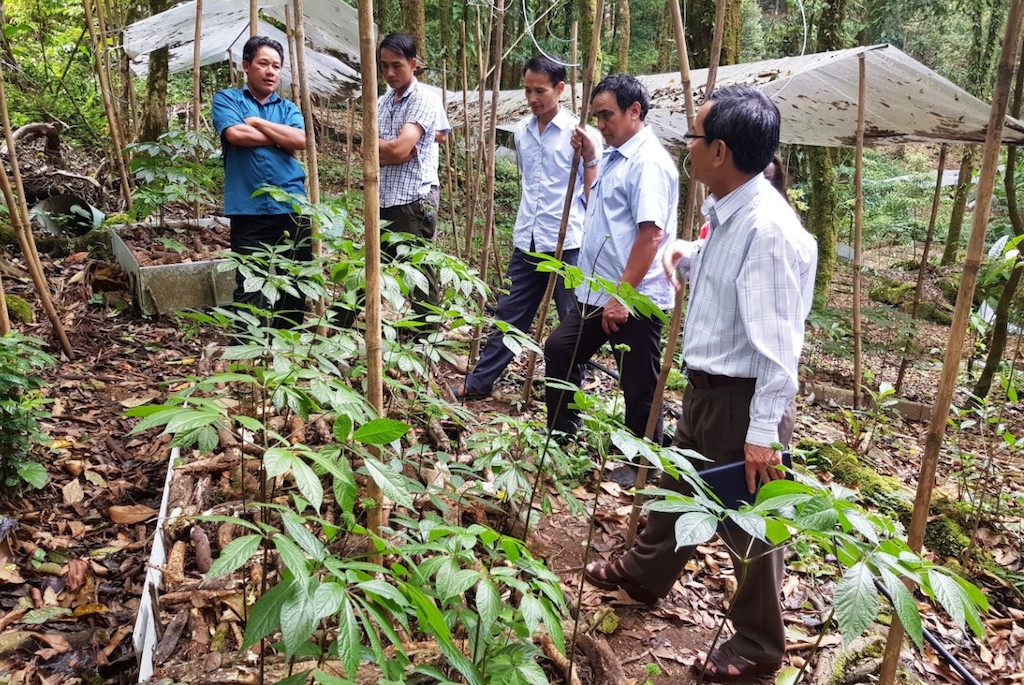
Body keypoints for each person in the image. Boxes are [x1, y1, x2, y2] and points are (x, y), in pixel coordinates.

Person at [584, 85, 818, 684]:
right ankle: (645, 573)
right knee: (678, 482)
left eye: (692, 136)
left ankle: (759, 648)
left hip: (743, 401)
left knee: (750, 525)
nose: (684, 146)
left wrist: (762, 435)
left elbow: (778, 349)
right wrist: (686, 256)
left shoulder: (768, 230)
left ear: (718, 150)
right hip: (708, 387)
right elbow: (721, 272)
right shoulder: (730, 208)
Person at [452, 55, 602, 400]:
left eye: (541, 91)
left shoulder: (581, 135)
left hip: (569, 242)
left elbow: (594, 193)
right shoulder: (521, 131)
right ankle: (479, 381)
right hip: (528, 238)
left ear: (560, 89)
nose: (533, 98)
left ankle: (568, 400)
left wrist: (591, 157)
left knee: (572, 325)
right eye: (527, 90)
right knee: (509, 313)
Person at [543, 73, 677, 444]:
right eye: (597, 117)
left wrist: (623, 296)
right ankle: (562, 436)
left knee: (639, 386)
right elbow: (599, 205)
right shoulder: (618, 157)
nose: (601, 125)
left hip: (633, 296)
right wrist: (590, 157)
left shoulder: (648, 163)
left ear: (634, 111)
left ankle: (644, 464)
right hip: (598, 291)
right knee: (560, 350)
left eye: (607, 116)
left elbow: (651, 235)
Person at [212, 35, 310, 329]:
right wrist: (279, 138)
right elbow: (235, 135)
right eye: (263, 64)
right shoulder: (227, 99)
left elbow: (302, 140)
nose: (271, 71)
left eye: (276, 66)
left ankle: (288, 351)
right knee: (249, 283)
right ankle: (247, 353)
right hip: (248, 208)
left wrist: (257, 122)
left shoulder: (289, 108)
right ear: (246, 66)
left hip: (292, 206)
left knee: (294, 282)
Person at [376, 33, 438, 323]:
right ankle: (341, 326)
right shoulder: (381, 102)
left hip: (413, 198)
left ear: (413, 64)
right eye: (384, 65)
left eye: (397, 65)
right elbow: (377, 148)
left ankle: (428, 336)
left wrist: (385, 148)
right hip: (384, 197)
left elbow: (401, 150)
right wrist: (388, 148)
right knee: (373, 265)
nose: (389, 73)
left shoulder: (424, 98)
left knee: (418, 271)